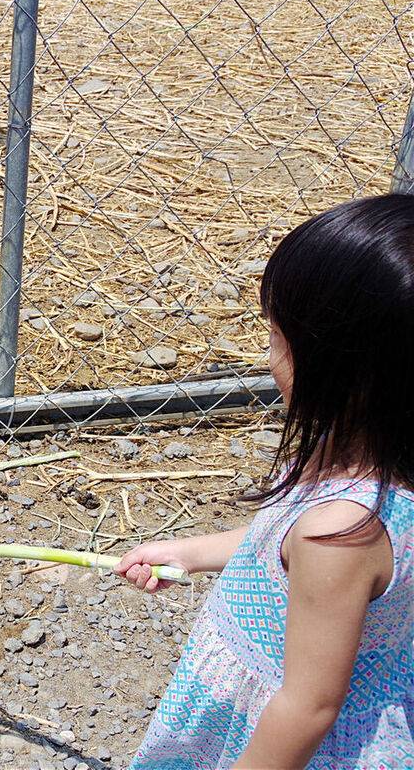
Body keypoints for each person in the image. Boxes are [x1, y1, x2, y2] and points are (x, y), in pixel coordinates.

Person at [114, 193, 414, 769]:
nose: (269, 353)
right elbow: (278, 544)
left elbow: (308, 706)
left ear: (343, 371)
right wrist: (190, 551)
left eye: (279, 338)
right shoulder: (366, 452)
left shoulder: (340, 534)